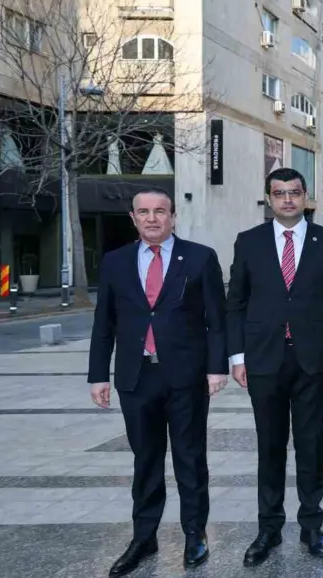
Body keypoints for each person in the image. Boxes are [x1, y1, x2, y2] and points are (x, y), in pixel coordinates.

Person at [88, 188, 227, 577]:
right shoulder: (115, 262)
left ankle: (195, 533)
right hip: (136, 377)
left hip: (185, 376)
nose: (152, 218)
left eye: (160, 211)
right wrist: (98, 373)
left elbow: (217, 318)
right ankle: (144, 537)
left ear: (172, 216)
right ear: (133, 218)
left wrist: (216, 368)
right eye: (144, 212)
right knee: (145, 461)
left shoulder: (199, 258)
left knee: (190, 458)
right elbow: (104, 324)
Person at [226, 168, 323, 566]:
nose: (288, 200)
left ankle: (312, 525)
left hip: (312, 359)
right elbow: (236, 304)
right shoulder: (249, 242)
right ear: (269, 198)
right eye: (279, 194)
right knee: (270, 446)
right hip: (263, 360)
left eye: (294, 193)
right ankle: (269, 529)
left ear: (305, 196)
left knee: (311, 445)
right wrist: (237, 356)